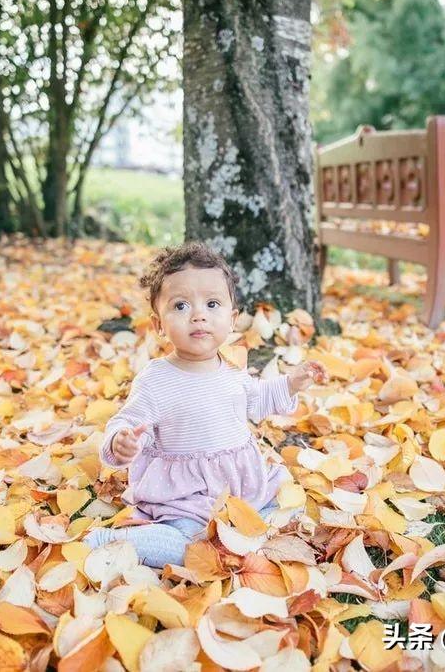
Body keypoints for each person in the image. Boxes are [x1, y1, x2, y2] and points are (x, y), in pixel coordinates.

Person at [83, 242, 327, 567]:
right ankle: (110, 542)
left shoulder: (233, 370)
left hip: (241, 486)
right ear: (158, 325)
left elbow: (258, 399)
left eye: (212, 304)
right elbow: (127, 421)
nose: (198, 315)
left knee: (289, 504)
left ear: (232, 318)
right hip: (186, 495)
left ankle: (248, 534)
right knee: (192, 547)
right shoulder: (156, 379)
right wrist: (121, 441)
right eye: (181, 306)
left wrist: (292, 383)